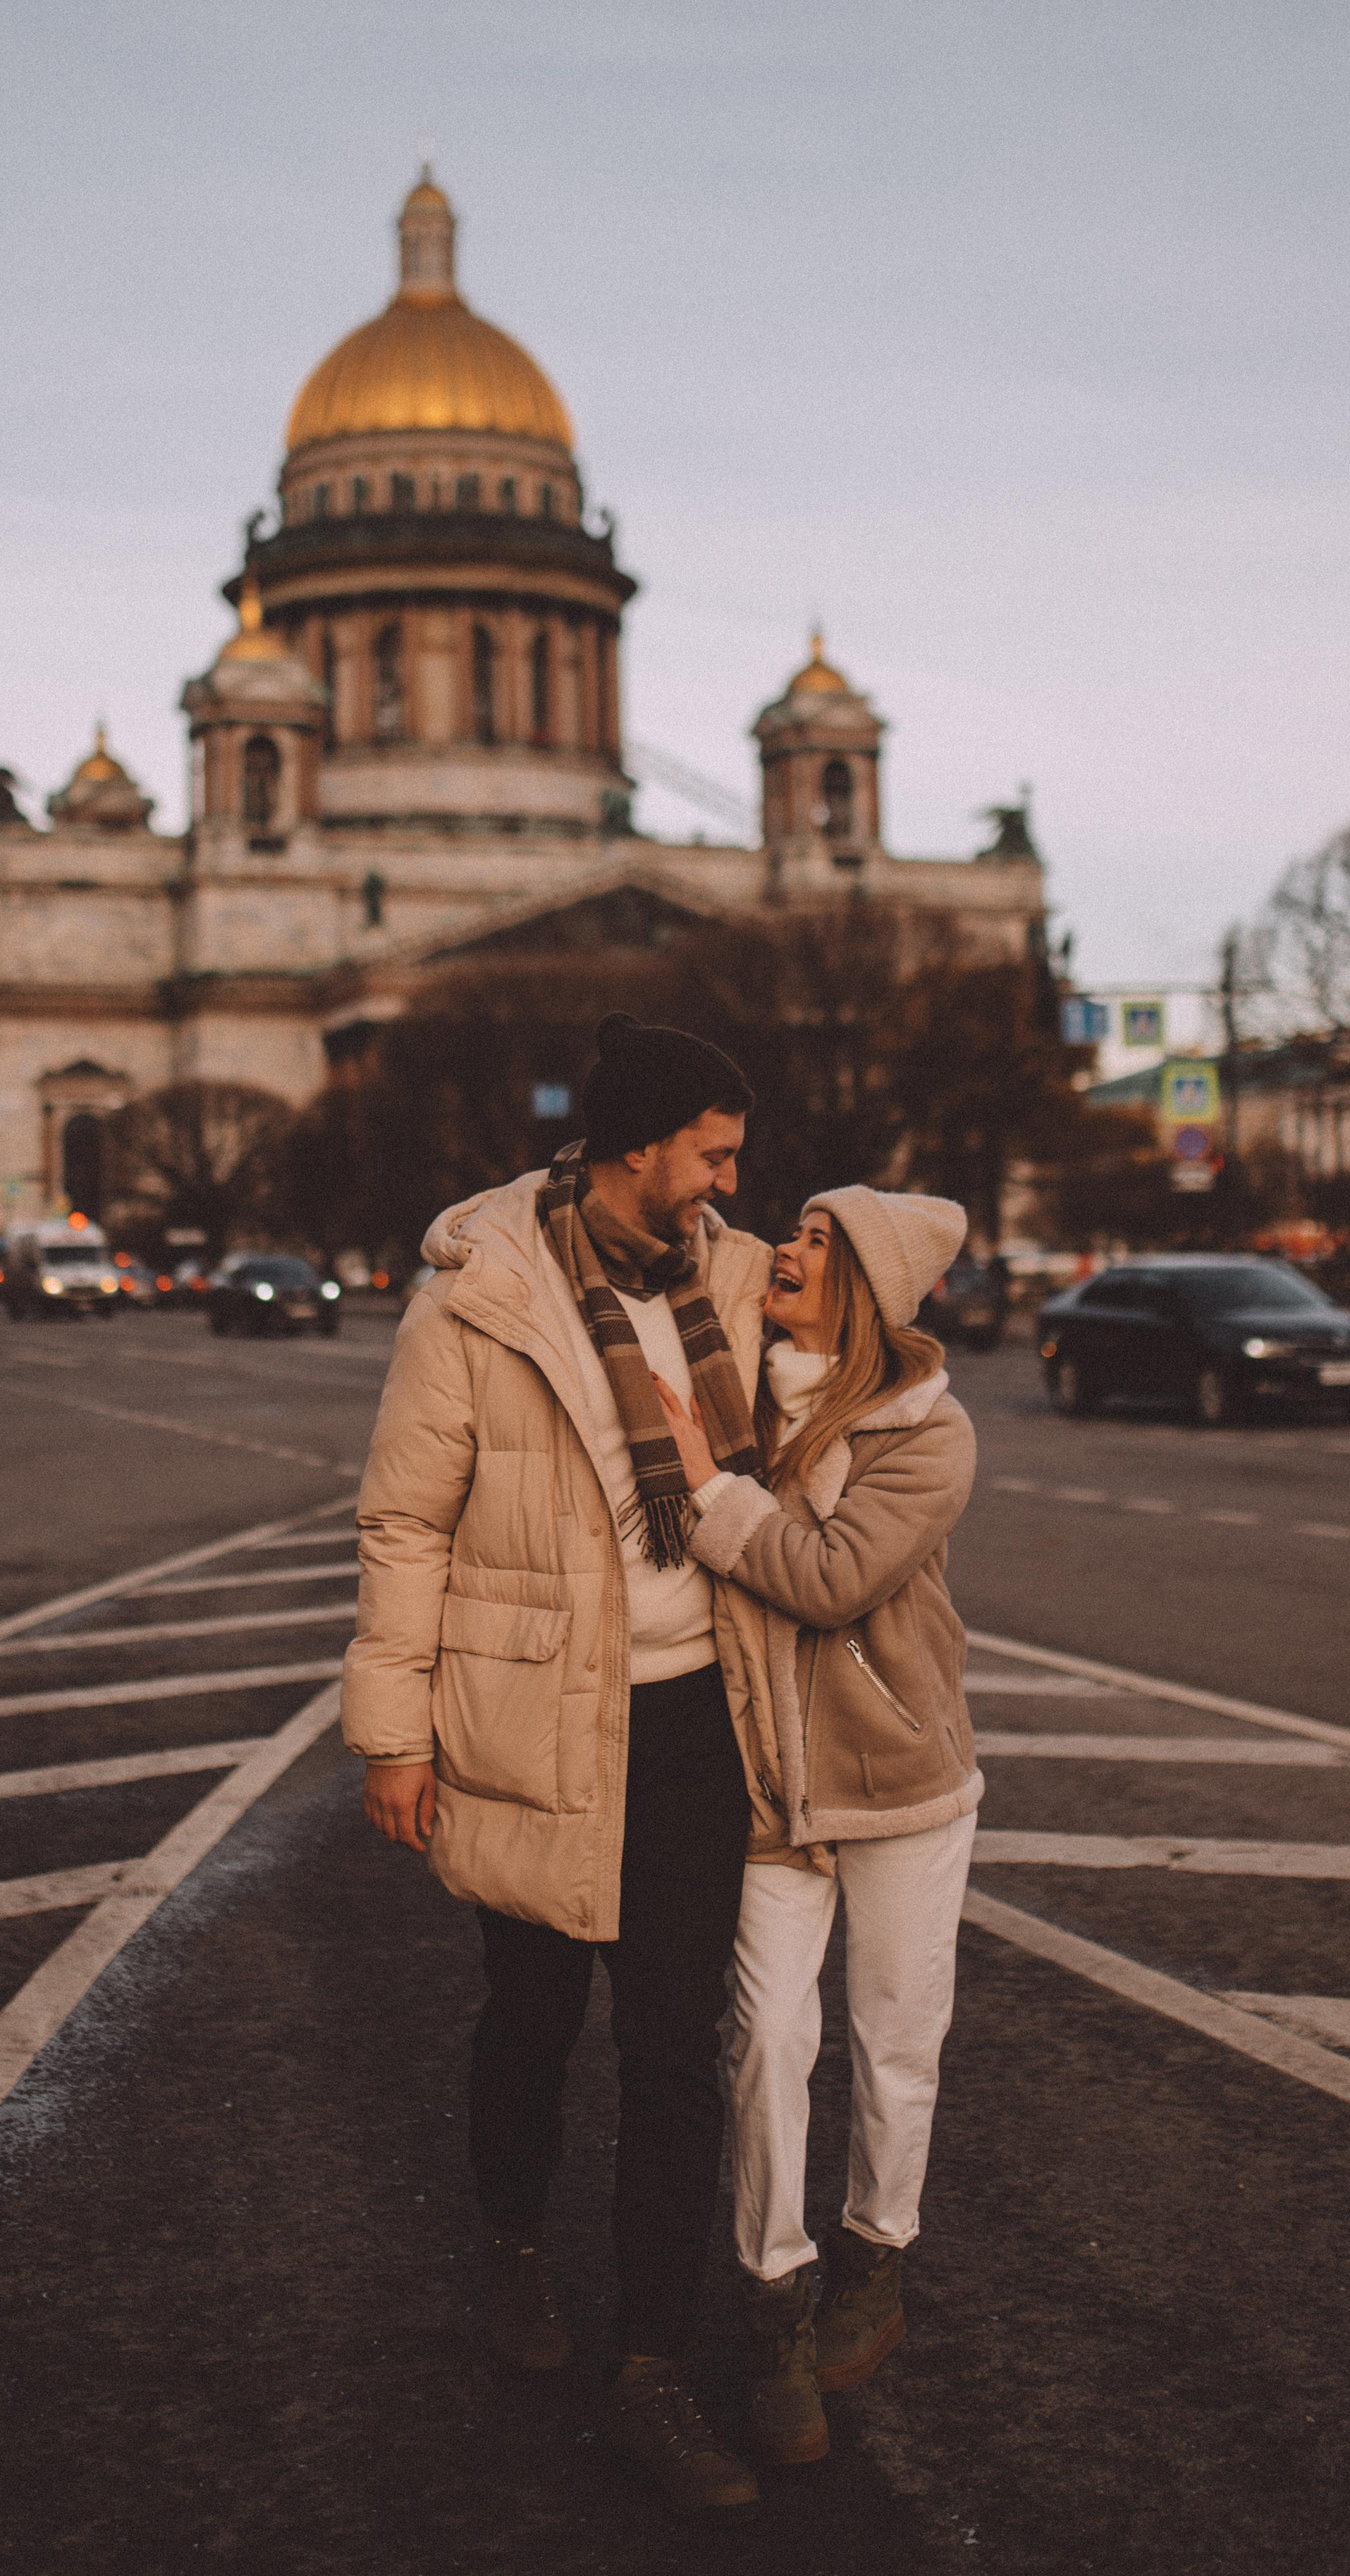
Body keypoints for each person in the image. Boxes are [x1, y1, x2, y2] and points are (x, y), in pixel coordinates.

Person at [343, 1013, 777, 2515]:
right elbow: (406, 1521)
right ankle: (513, 2239)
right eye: (712, 1151)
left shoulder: (730, 1276)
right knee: (529, 2016)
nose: (731, 1178)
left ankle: (650, 2367)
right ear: (635, 1147)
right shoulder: (480, 1299)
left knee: (671, 2053)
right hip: (526, 1715)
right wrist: (391, 1733)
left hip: (691, 1722)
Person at [652, 1185, 977, 2467]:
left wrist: (705, 1484)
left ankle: (876, 2260)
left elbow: (834, 1576)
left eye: (819, 1242)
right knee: (765, 2038)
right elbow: (652, 1230)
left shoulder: (927, 1432)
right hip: (773, 1782)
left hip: (900, 1779)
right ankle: (773, 2298)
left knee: (896, 2040)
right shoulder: (744, 1391)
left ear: (873, 1287)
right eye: (791, 1230)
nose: (787, 1249)